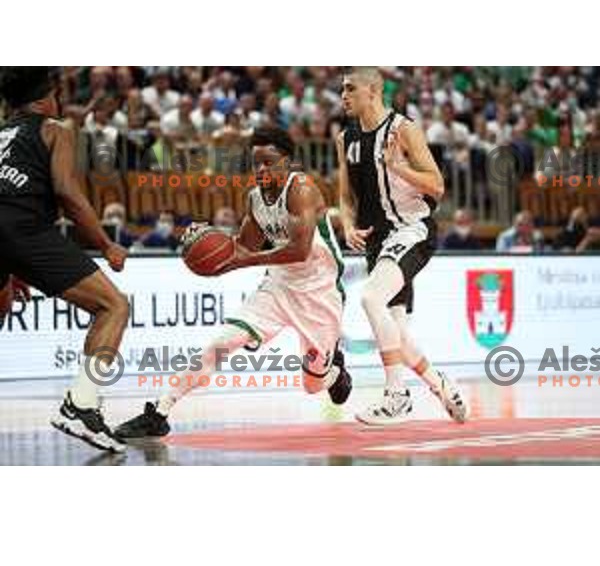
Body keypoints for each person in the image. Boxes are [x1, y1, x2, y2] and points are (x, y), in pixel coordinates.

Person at [115, 127, 351, 438]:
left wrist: (241, 262)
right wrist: (206, 239)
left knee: (311, 386)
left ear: (288, 161)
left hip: (319, 293)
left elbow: (299, 250)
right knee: (220, 344)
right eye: (256, 163)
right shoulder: (255, 198)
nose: (261, 169)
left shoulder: (302, 189)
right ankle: (159, 412)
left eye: (268, 162)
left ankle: (333, 371)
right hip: (278, 287)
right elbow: (245, 246)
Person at [0, 67, 129, 452]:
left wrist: (10, 264)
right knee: (113, 306)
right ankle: (81, 405)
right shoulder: (55, 129)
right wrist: (107, 244)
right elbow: (68, 193)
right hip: (22, 228)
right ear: (48, 97)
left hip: (9, 236)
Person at [338, 67, 467, 425]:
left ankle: (397, 396)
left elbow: (437, 186)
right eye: (342, 90)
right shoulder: (344, 138)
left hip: (412, 229)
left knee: (370, 298)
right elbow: (346, 196)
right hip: (377, 240)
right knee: (397, 332)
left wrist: (399, 168)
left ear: (373, 91)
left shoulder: (403, 129)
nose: (343, 96)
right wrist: (348, 224)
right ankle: (440, 385)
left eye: (350, 89)